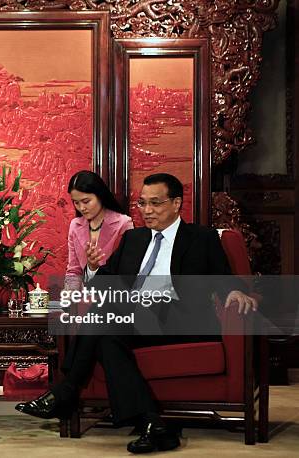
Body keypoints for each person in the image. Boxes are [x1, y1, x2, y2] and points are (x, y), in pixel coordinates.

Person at [16, 173, 258, 454]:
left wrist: (234, 292)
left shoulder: (201, 237)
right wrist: (93, 268)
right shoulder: (133, 238)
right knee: (107, 334)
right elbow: (104, 280)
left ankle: (66, 389)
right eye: (143, 204)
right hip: (135, 321)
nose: (147, 211)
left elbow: (223, 277)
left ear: (177, 203)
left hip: (180, 320)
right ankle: (153, 424)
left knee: (105, 313)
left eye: (155, 203)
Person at [65, 170, 133, 291]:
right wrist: (69, 298)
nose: (82, 208)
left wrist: (94, 268)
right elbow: (74, 270)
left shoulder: (123, 223)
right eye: (76, 203)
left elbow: (126, 274)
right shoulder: (75, 225)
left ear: (100, 195)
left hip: (114, 300)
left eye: (86, 201)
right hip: (84, 301)